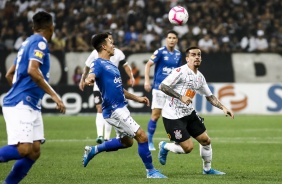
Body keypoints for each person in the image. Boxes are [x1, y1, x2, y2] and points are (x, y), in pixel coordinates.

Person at [82, 33, 167, 178]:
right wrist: (89, 79)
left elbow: (120, 89)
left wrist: (137, 98)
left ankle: (93, 150)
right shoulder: (98, 63)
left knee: (127, 142)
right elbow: (91, 74)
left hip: (121, 107)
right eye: (110, 42)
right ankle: (151, 171)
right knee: (142, 136)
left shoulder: (111, 65)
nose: (113, 45)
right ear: (103, 46)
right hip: (114, 110)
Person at [0, 11, 66, 183]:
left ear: (33, 26)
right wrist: (54, 95)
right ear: (51, 27)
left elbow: (10, 73)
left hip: (30, 103)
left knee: (34, 150)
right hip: (21, 103)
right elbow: (32, 70)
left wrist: (19, 88)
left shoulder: (27, 42)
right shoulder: (40, 42)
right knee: (23, 149)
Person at [158, 46, 234, 175]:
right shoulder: (180, 71)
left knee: (206, 140)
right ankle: (164, 146)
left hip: (189, 113)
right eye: (193, 55)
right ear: (187, 58)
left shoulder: (200, 77)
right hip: (173, 116)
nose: (197, 57)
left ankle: (207, 170)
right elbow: (163, 86)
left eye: (199, 55)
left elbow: (209, 96)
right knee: (187, 148)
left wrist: (223, 108)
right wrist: (181, 96)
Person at [79, 32, 135, 144]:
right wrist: (83, 79)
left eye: (110, 39)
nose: (110, 41)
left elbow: (125, 65)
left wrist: (131, 76)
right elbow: (88, 67)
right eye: (108, 40)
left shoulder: (118, 53)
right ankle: (100, 135)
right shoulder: (96, 53)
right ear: (104, 44)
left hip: (113, 85)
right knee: (100, 108)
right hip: (98, 86)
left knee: (110, 108)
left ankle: (107, 137)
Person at [144, 30, 182, 151]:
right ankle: (149, 142)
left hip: (172, 90)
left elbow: (179, 72)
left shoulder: (178, 54)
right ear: (166, 39)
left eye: (174, 38)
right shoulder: (160, 52)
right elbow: (148, 65)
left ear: (177, 40)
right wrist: (147, 81)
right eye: (169, 37)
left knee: (175, 115)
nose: (171, 39)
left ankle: (177, 139)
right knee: (155, 116)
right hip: (159, 89)